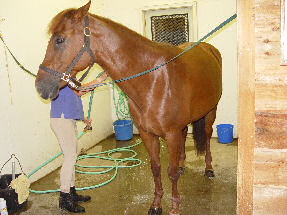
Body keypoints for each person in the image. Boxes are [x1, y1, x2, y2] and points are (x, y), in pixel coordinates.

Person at [50, 72, 107, 213]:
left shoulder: (69, 77)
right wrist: (101, 79)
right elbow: (79, 90)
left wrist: (83, 118)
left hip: (68, 119)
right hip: (62, 119)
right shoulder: (62, 76)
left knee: (72, 157)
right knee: (70, 158)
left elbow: (77, 94)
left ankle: (71, 192)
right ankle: (64, 198)